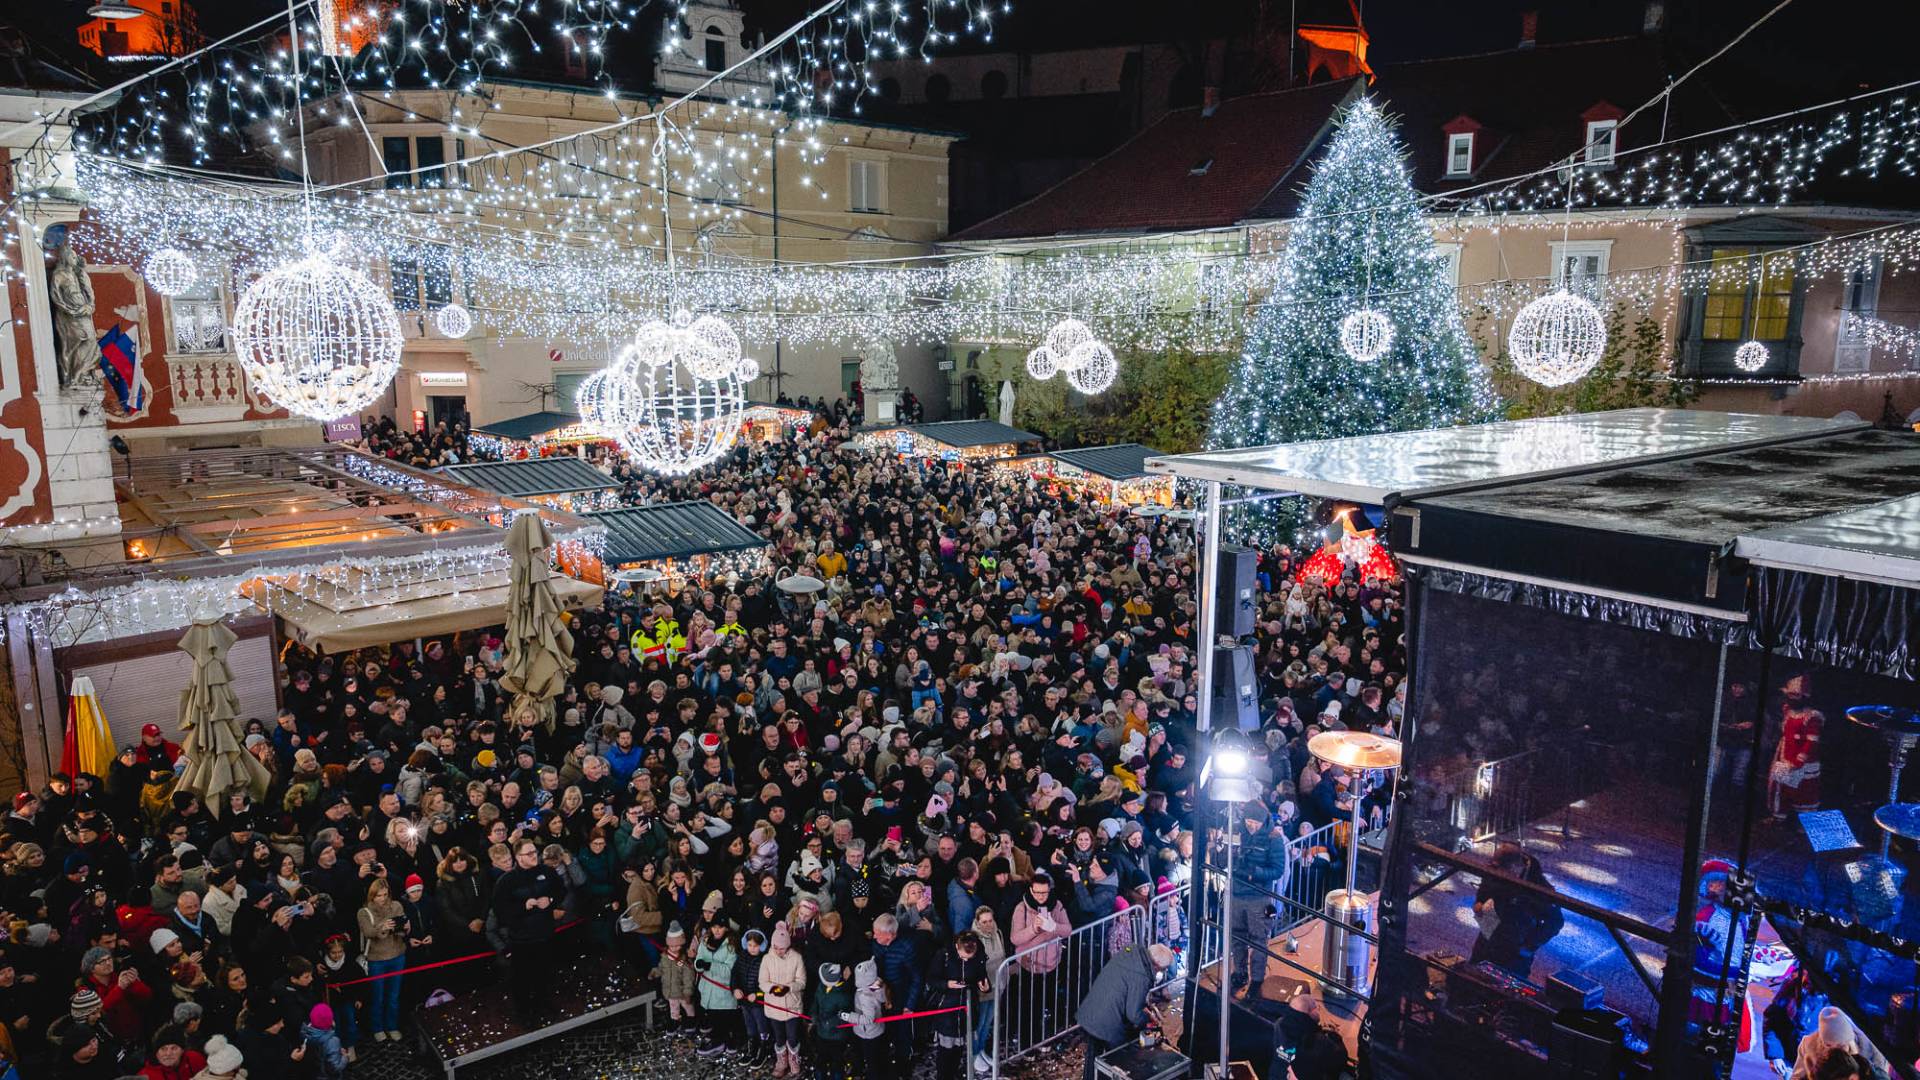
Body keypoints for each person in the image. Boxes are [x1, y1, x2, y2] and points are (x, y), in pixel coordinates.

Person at [492, 839, 566, 1022]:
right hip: (521, 940)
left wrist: (550, 900)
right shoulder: (507, 881)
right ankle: (524, 1013)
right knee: (522, 979)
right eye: (529, 854)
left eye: (535, 852)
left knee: (546, 974)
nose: (534, 856)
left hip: (545, 934)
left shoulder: (547, 872)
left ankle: (545, 1004)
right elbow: (500, 910)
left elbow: (561, 890)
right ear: (518, 857)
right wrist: (523, 906)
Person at [1075, 943, 1173, 1080]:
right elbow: (1133, 1015)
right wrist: (1147, 1018)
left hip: (1092, 1012)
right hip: (1107, 1022)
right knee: (1118, 1059)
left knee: (1093, 1056)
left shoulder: (1130, 954)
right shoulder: (1142, 976)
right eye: (1162, 969)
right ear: (1156, 965)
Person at [1468, 842, 1562, 979]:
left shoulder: (1538, 888)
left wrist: (1529, 946)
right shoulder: (1494, 873)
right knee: (1473, 979)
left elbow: (1555, 922)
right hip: (1488, 939)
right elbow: (1481, 897)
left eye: (1501, 870)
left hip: (1515, 950)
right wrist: (1479, 907)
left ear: (1515, 868)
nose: (1497, 874)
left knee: (1507, 989)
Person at [355, 878, 408, 1041]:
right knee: (377, 997)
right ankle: (377, 1028)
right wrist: (382, 927)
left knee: (393, 996)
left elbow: (402, 930)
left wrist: (403, 927)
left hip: (397, 955)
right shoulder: (364, 912)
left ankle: (392, 1026)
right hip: (376, 959)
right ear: (372, 896)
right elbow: (368, 932)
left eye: (385, 895)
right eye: (378, 896)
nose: (383, 899)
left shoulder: (396, 906)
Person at [759, 921, 807, 1077]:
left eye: (782, 948)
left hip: (792, 1005)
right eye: (776, 948)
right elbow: (762, 982)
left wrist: (789, 987)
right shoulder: (767, 959)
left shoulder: (797, 958)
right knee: (779, 1036)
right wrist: (773, 989)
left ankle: (793, 1058)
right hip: (774, 1006)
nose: (779, 951)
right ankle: (782, 1060)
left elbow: (802, 981)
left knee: (792, 1036)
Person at [1789, 1007, 1891, 1080]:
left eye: (1841, 1046)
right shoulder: (1808, 1045)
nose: (1836, 1051)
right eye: (1829, 1045)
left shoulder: (1873, 1048)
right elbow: (1796, 1077)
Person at [810, 961, 854, 1080]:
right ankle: (820, 1075)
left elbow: (844, 1016)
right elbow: (816, 1001)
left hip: (837, 1037)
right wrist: (813, 1013)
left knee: (837, 1061)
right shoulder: (821, 986)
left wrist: (830, 1023)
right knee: (821, 1058)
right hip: (821, 1033)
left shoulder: (844, 995)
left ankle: (837, 1076)